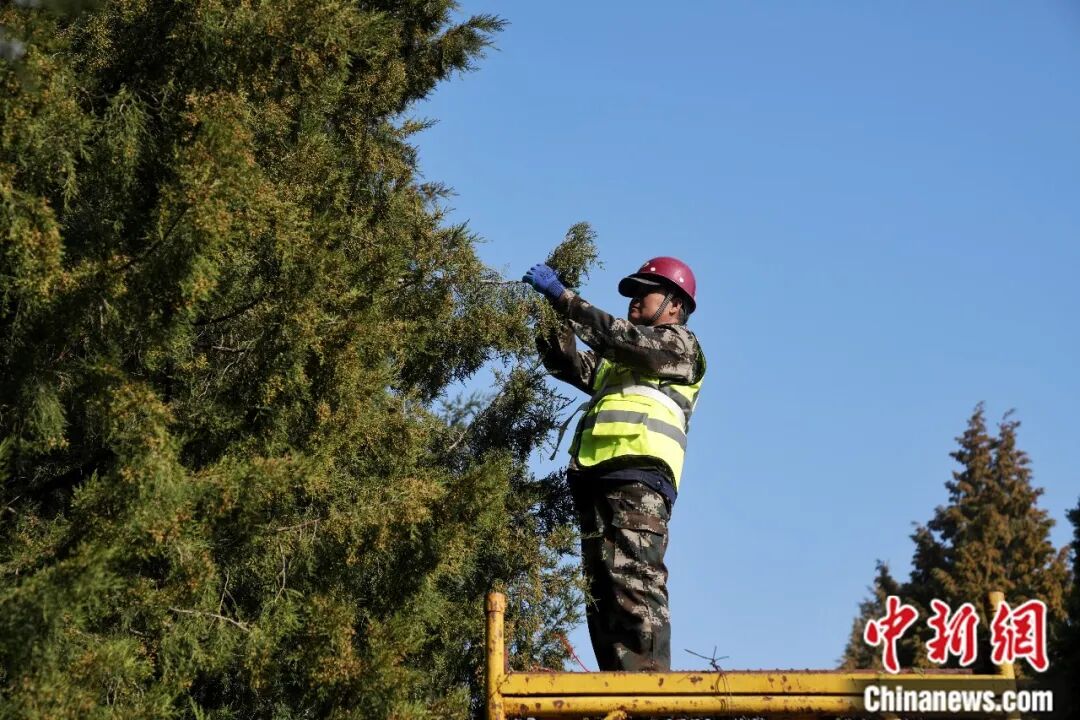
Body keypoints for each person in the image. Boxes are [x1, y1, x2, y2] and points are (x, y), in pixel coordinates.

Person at [522, 256, 706, 672]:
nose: (635, 299)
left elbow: (617, 338)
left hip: (639, 480)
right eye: (632, 293)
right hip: (597, 479)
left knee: (636, 587)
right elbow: (566, 361)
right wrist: (549, 313)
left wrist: (565, 299)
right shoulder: (619, 360)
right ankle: (618, 688)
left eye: (646, 292)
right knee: (602, 594)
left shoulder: (680, 347)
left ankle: (651, 690)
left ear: (675, 305)